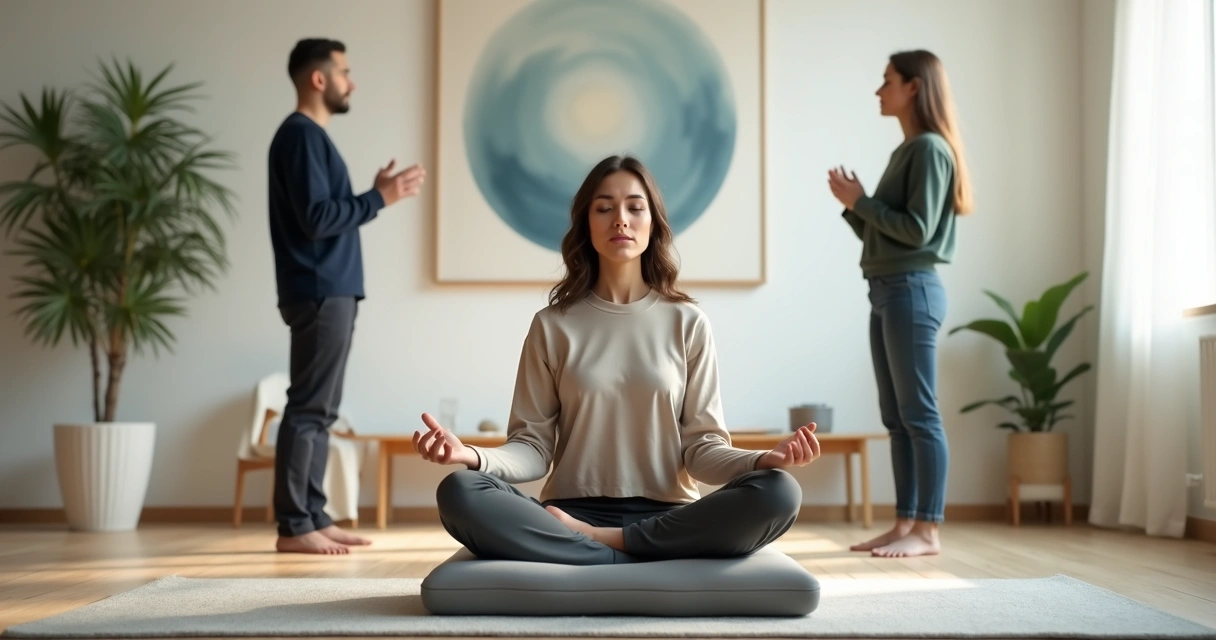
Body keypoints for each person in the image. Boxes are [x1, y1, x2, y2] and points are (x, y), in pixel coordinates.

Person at [412, 155, 821, 564]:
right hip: (566, 513)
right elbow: (532, 447)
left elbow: (703, 449)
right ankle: (628, 548)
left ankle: (596, 546)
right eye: (604, 208)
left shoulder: (688, 322)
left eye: (634, 207)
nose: (620, 220)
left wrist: (763, 460)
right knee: (460, 491)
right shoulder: (552, 325)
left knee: (779, 492)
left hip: (667, 514)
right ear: (587, 225)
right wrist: (471, 455)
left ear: (653, 223)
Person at [267, 38, 425, 554]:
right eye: (345, 72)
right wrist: (381, 197)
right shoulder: (301, 137)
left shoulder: (309, 139)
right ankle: (294, 526)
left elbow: (325, 211)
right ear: (319, 79)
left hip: (328, 289)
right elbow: (316, 220)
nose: (351, 82)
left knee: (321, 408)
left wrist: (373, 196)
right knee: (310, 407)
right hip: (319, 289)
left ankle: (313, 515)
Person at [827, 49, 973, 558]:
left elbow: (917, 231)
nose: (878, 89)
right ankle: (906, 522)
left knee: (919, 415)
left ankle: (928, 531)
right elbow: (889, 232)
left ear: (914, 87)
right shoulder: (908, 151)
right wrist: (855, 206)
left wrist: (862, 202)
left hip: (911, 289)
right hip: (889, 288)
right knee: (897, 416)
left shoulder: (930, 149)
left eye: (886, 80)